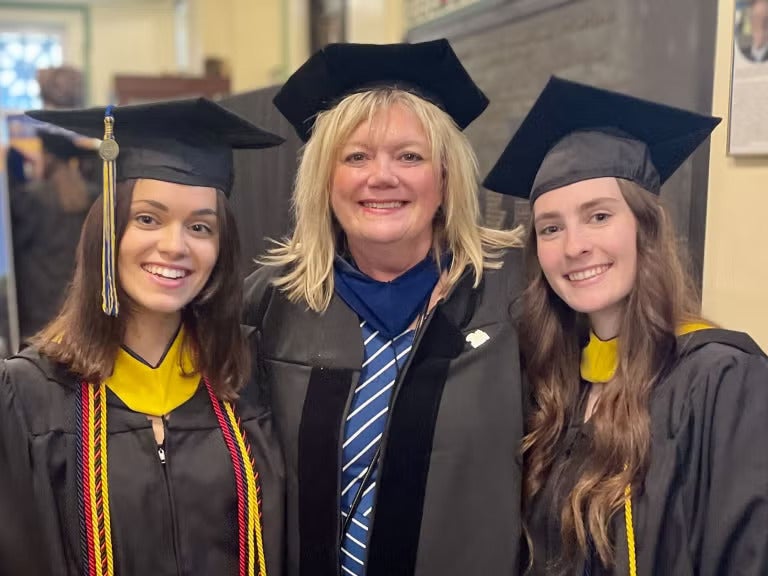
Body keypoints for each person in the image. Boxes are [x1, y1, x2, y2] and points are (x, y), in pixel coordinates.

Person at [243, 40, 526, 576]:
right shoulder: (270, 305)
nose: (382, 177)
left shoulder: (512, 299)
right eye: (356, 156)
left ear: (445, 177)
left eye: (409, 156)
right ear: (325, 180)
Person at [484, 76, 768, 575]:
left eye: (597, 216)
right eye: (551, 227)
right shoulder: (552, 384)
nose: (573, 246)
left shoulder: (722, 381)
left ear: (646, 227)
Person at [0, 97, 286, 575]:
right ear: (108, 230)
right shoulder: (30, 396)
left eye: (200, 226)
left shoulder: (250, 373)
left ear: (221, 247)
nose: (174, 246)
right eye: (148, 219)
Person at [12, 130, 98, 341]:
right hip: (78, 298)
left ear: (48, 158)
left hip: (38, 304)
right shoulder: (92, 195)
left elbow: (17, 246)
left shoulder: (33, 198)